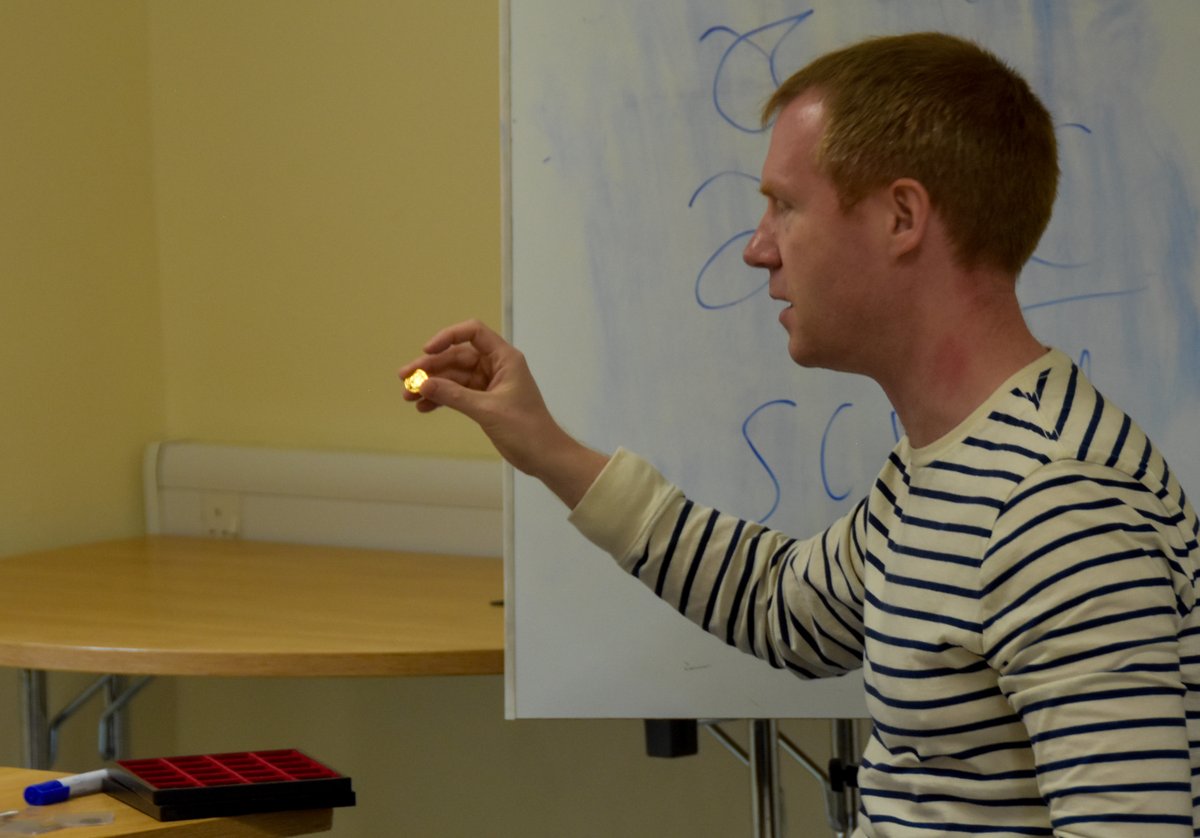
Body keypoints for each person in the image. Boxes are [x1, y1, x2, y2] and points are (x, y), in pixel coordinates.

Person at [399, 32, 1199, 836]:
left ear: (901, 217)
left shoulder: (1058, 507)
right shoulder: (950, 465)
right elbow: (786, 609)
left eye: (786, 204)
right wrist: (547, 449)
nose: (756, 248)